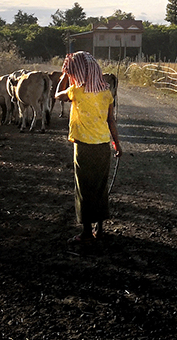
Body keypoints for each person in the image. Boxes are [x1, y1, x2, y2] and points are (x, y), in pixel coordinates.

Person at [54, 51, 122, 242]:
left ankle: (85, 233)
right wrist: (117, 144)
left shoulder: (75, 91)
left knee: (83, 189)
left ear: (76, 71)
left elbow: (57, 95)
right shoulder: (106, 93)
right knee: (100, 187)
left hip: (84, 148)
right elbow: (111, 121)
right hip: (103, 147)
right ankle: (99, 230)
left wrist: (65, 76)